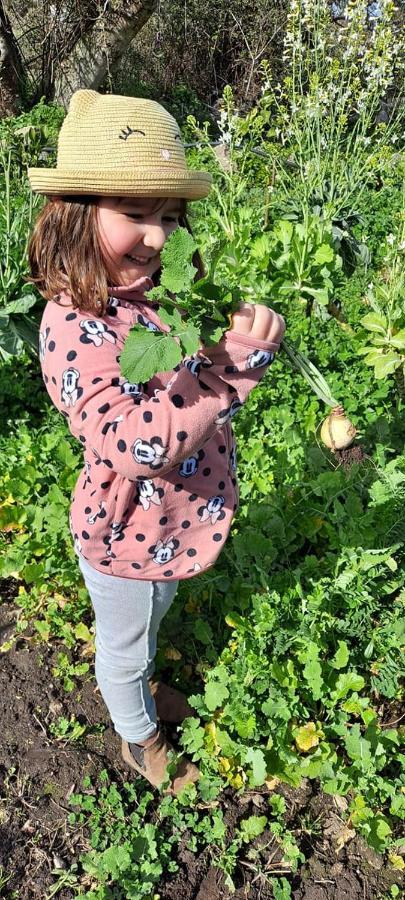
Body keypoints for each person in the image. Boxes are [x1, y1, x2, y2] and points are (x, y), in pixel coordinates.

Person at [27, 90, 285, 795]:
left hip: (167, 526)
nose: (160, 238)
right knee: (124, 642)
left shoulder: (151, 294)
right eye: (134, 214)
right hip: (126, 534)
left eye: (170, 216)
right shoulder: (70, 327)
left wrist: (217, 326)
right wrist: (231, 368)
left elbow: (181, 363)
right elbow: (139, 442)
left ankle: (137, 685)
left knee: (149, 619)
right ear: (73, 218)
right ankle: (137, 735)